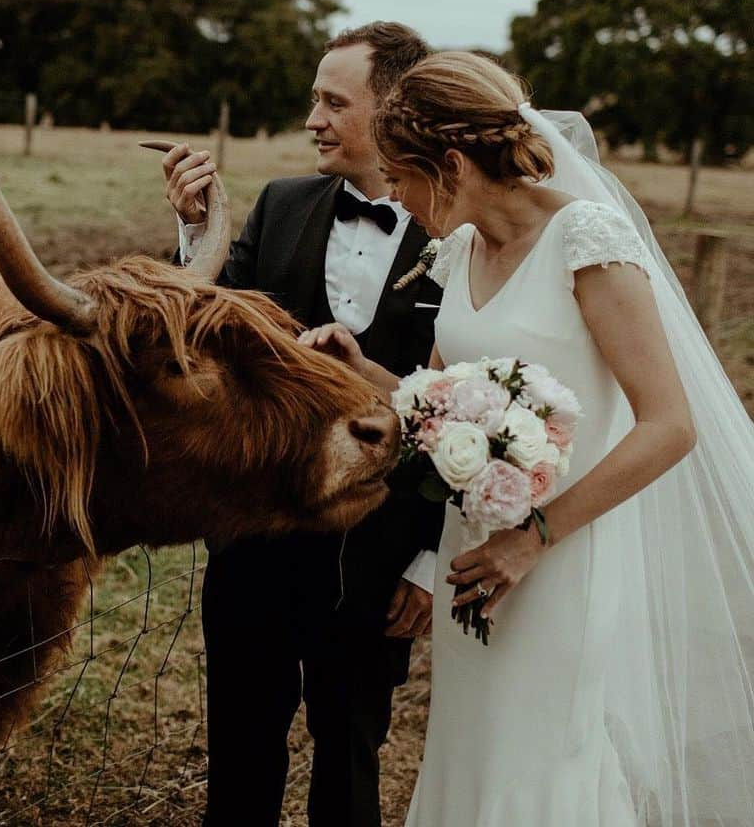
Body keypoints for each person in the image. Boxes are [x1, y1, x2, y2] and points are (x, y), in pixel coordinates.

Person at [311, 50, 754, 825]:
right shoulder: (461, 246)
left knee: (544, 753)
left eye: (402, 178)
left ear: (450, 163)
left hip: (561, 556)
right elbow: (438, 403)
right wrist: (364, 372)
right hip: (472, 551)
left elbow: (669, 425)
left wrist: (536, 537)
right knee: (476, 745)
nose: (398, 200)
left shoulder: (588, 241)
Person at [161, 22, 444, 827]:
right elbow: (206, 329)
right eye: (313, 100)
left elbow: (470, 407)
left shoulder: (459, 239)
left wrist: (429, 559)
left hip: (380, 549)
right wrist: (194, 231)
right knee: (240, 745)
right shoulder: (282, 204)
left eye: (331, 101)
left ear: (393, 108)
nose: (311, 119)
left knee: (349, 747)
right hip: (257, 532)